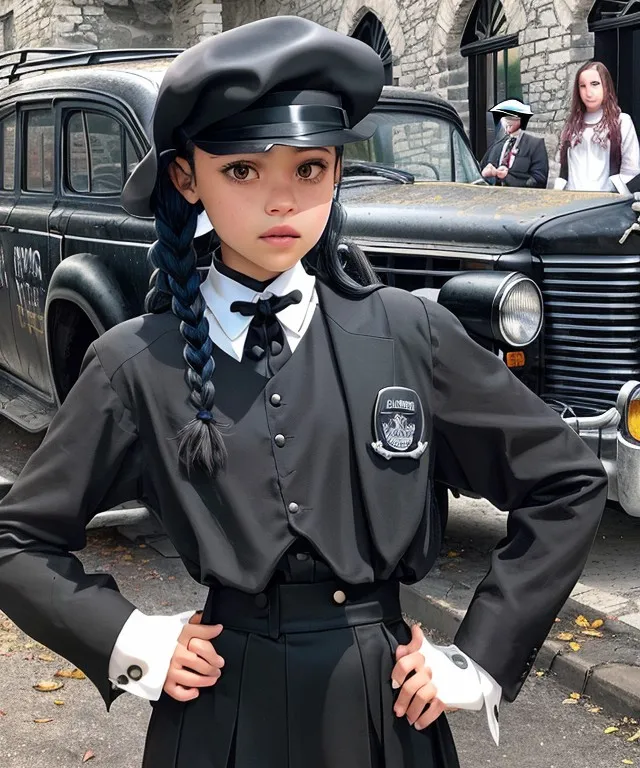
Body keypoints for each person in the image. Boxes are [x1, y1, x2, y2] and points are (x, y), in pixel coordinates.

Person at [0, 17, 607, 768]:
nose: (282, 201)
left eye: (310, 169)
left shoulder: (408, 334)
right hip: (219, 716)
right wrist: (132, 640)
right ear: (187, 177)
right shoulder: (135, 363)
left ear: (337, 172)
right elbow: (18, 540)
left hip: (385, 716)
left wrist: (477, 659)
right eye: (244, 171)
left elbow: (566, 480)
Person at [555, 60, 640, 192]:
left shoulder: (621, 122)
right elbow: (561, 168)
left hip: (606, 204)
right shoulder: (570, 125)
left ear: (606, 85)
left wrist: (617, 194)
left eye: (595, 84)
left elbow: (631, 170)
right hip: (572, 202)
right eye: (582, 86)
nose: (588, 92)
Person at [481, 99, 549, 188]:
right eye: (504, 117)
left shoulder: (535, 145)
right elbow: (482, 171)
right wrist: (488, 173)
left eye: (512, 118)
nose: (507, 122)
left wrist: (508, 177)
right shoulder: (497, 145)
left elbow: (539, 180)